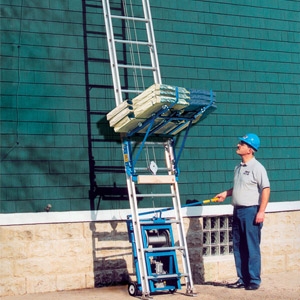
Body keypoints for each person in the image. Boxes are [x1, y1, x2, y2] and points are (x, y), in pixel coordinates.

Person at [214, 133, 270, 290]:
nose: (238, 145)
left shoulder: (257, 168)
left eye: (242, 144)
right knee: (238, 247)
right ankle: (242, 278)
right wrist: (226, 193)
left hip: (251, 211)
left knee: (252, 247)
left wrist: (261, 211)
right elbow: (240, 187)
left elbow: (265, 189)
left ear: (250, 149)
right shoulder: (238, 167)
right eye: (240, 143)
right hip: (237, 211)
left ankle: (254, 280)